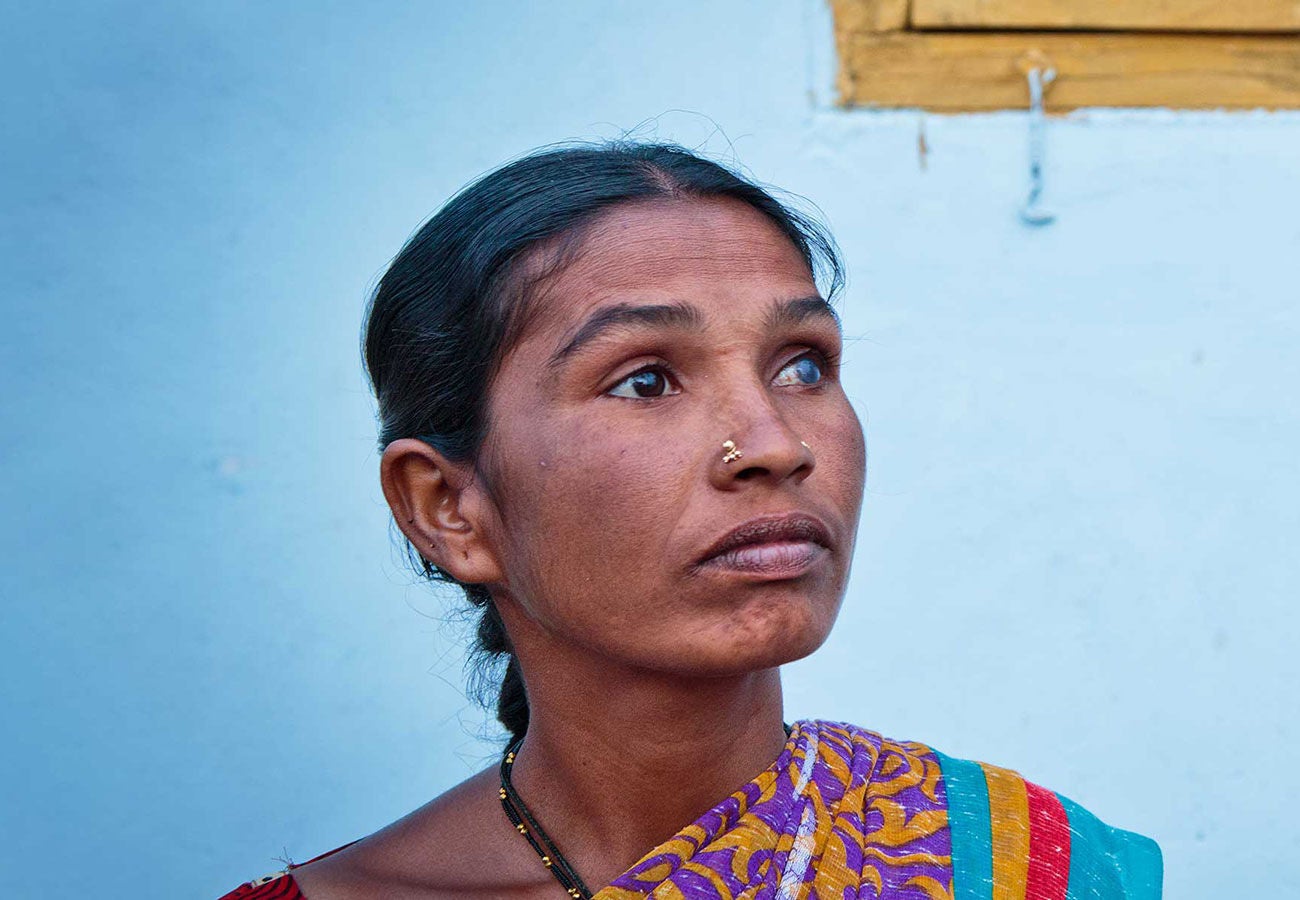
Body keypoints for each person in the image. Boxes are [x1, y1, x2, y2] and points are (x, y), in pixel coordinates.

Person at [219, 142, 1162, 899]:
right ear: (449, 508)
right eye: (646, 380)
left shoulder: (1015, 868)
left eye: (802, 365)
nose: (776, 443)